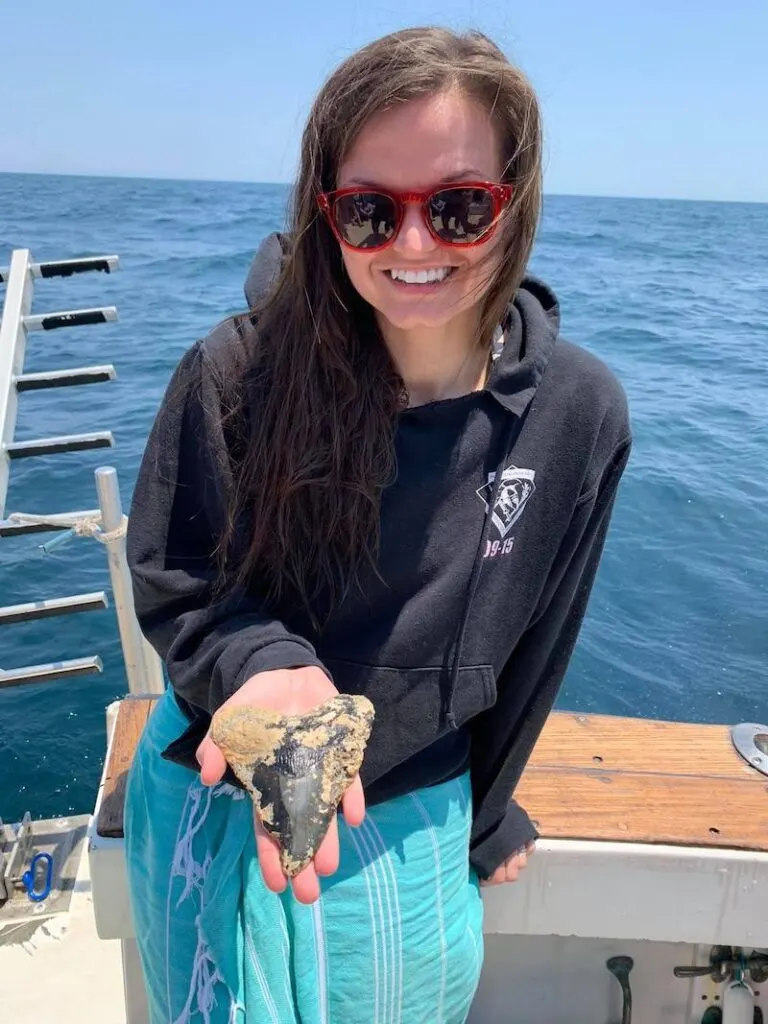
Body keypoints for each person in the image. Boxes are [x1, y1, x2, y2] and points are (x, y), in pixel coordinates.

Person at [124, 25, 631, 1024]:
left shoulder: (579, 414)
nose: (412, 244)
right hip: (219, 789)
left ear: (512, 201)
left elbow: (536, 649)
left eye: (457, 207)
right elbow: (179, 578)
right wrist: (258, 658)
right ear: (328, 213)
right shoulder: (234, 372)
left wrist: (484, 821)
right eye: (369, 211)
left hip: (409, 818)